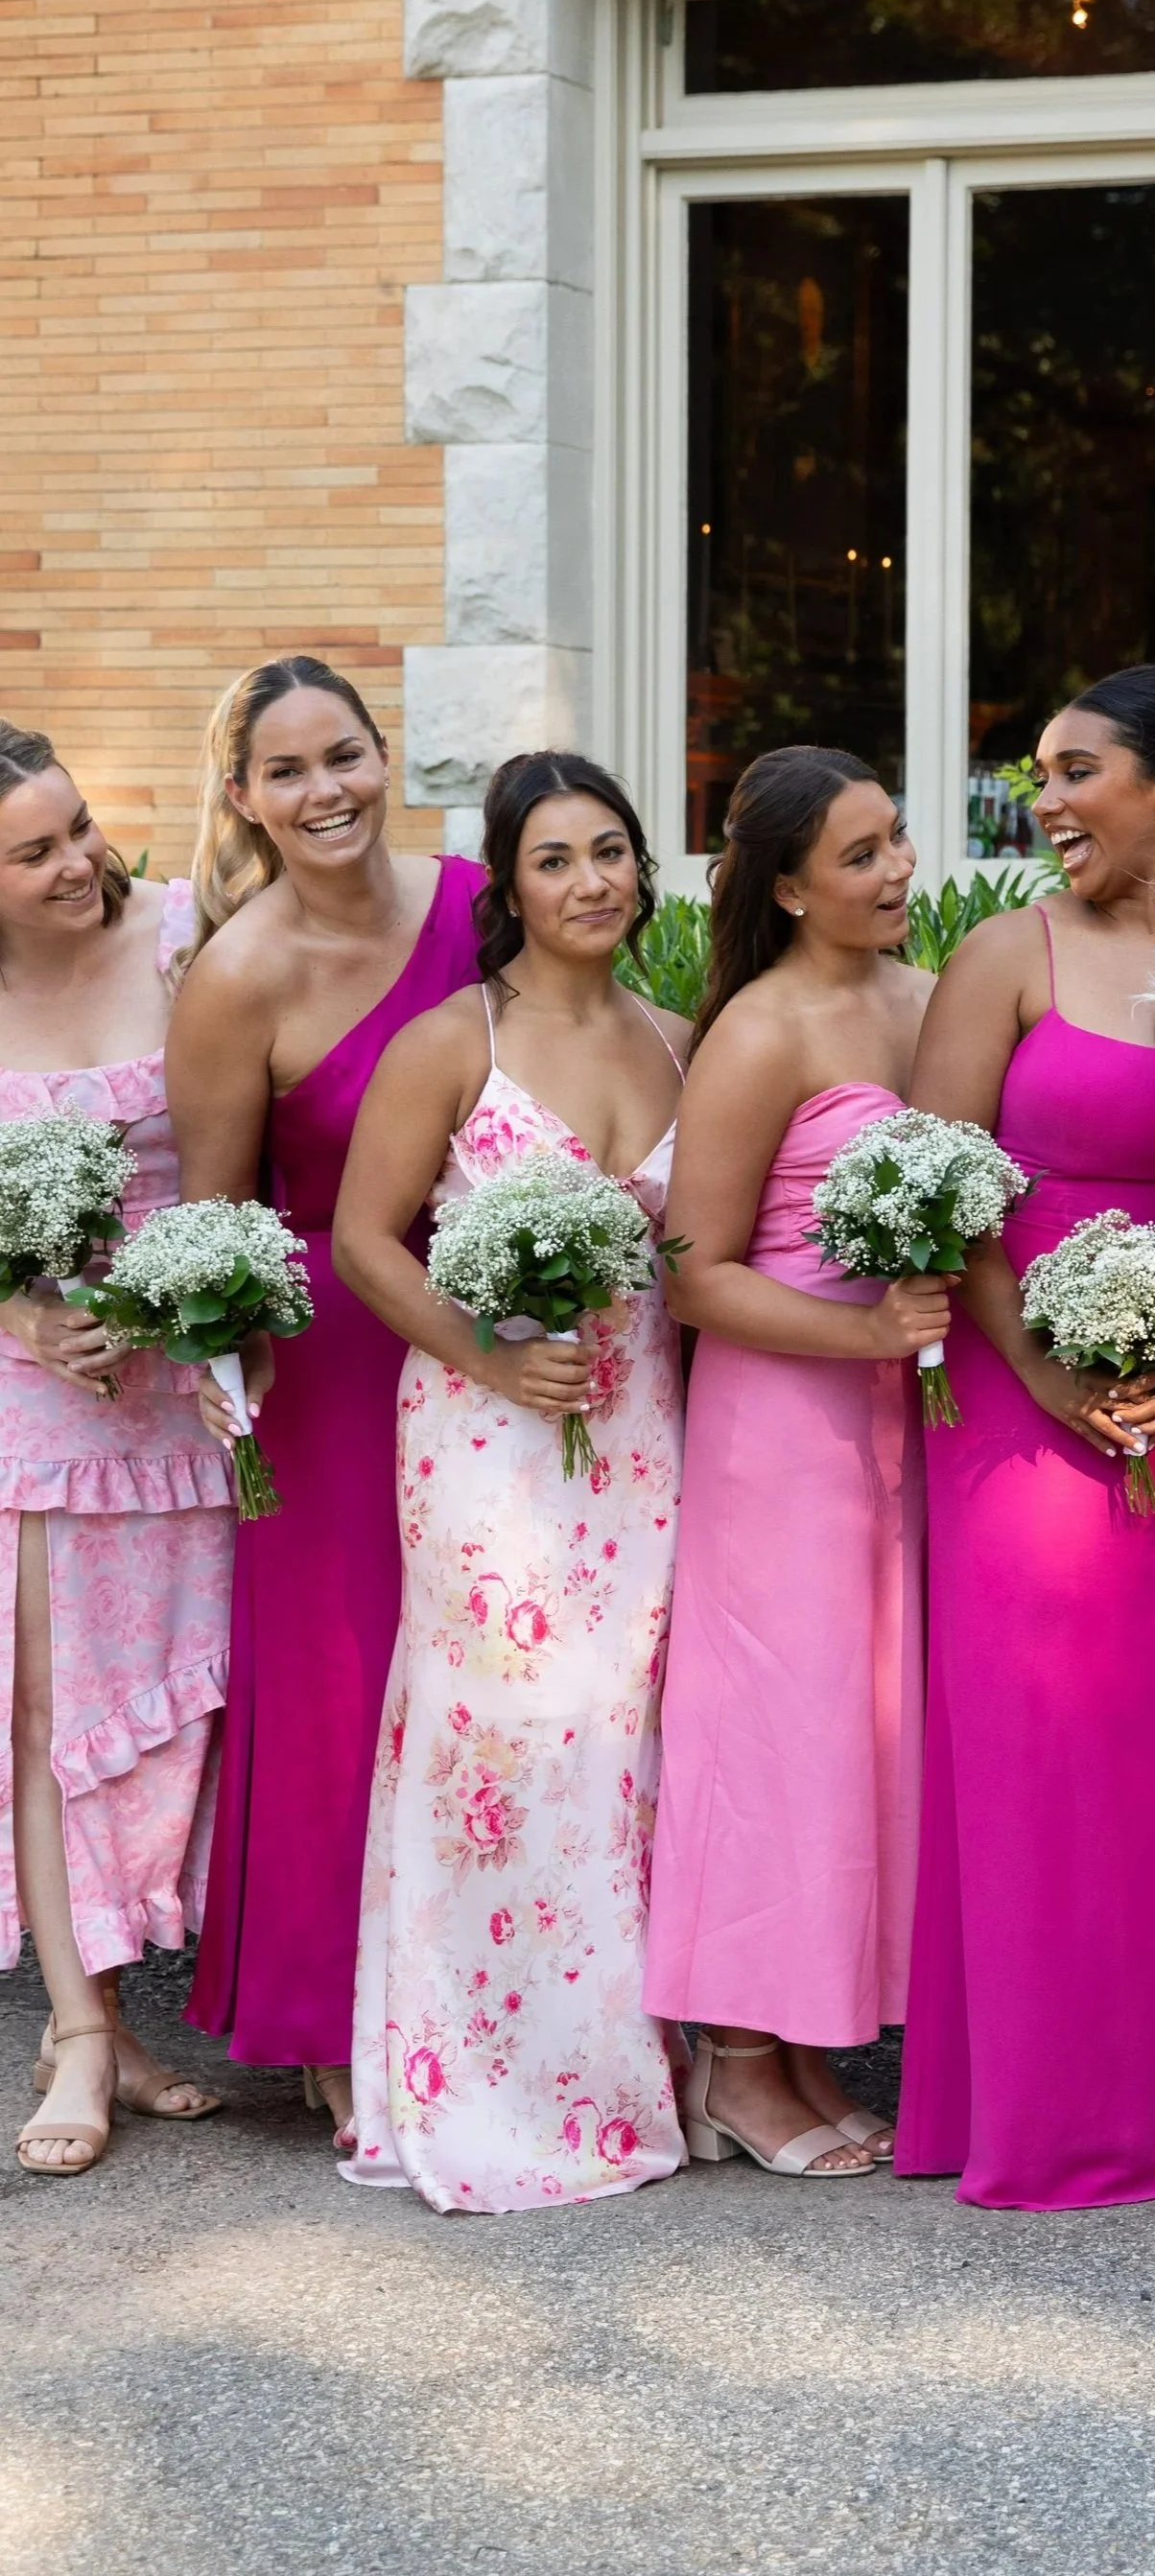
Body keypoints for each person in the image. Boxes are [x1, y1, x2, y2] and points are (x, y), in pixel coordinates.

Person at [895, 668, 1155, 2210]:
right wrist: (1037, 1365)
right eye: (1041, 773)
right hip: (1010, 1395)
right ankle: (1029, 2104)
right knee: (1032, 1744)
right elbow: (933, 1184)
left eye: (1077, 768)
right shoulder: (1004, 953)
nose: (1046, 801)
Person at [331, 752, 689, 2212]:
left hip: (641, 1440)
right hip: (485, 1440)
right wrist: (486, 1353)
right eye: (555, 858)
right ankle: (475, 2083)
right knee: (497, 1746)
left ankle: (616, 2081)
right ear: (510, 883)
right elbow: (365, 1240)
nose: (591, 880)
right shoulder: (451, 1041)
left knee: (618, 1748)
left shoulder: (681, 1038)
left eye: (611, 850)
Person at [166, 656, 483, 2143]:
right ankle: (333, 2016)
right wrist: (233, 1380)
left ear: (383, 753)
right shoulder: (237, 976)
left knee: (491, 1660)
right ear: (243, 798)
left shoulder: (482, 900)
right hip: (326, 1355)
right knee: (341, 1675)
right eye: (286, 771)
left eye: (344, 754)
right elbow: (215, 1223)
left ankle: (490, 1984)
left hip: (495, 1312)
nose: (326, 790)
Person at [646, 749, 937, 2179]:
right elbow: (692, 1275)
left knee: (862, 1729)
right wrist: (865, 1322)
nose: (897, 871)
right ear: (783, 886)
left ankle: (811, 2039)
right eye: (862, 854)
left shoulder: (922, 997)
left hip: (895, 1413)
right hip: (780, 1421)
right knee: (775, 1729)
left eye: (896, 840)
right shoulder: (759, 1031)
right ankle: (738, 2066)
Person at [0, 726, 232, 2174]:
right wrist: (24, 1319)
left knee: (203, 1693)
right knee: (44, 1704)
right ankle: (84, 2031)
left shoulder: (188, 938)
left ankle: (213, 2001)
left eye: (78, 826)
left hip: (198, 1370)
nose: (80, 861)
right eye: (33, 853)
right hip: (38, 1389)